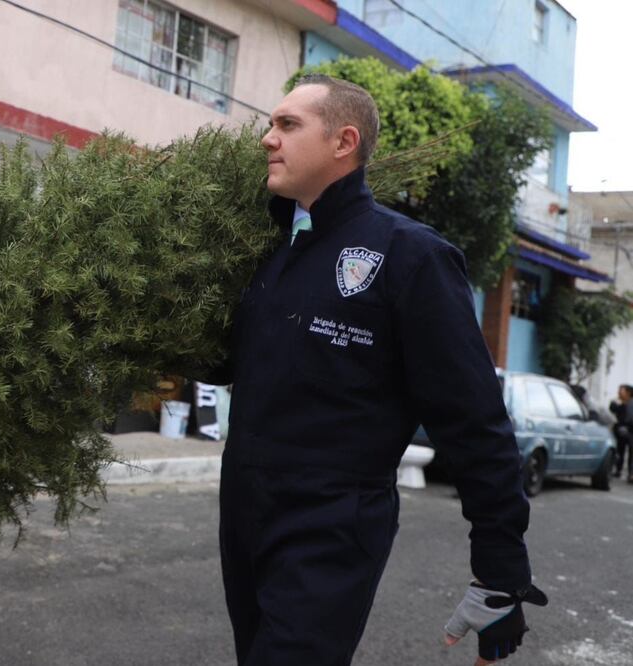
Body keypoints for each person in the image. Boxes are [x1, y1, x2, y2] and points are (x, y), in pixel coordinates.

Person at [213, 75, 546, 665]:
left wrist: (500, 573)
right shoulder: (271, 251)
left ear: (343, 142)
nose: (267, 139)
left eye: (287, 125)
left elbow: (473, 420)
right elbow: (241, 365)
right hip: (243, 515)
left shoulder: (412, 257)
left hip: (330, 530)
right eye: (271, 124)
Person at [608, 384, 633, 480]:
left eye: (621, 390)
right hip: (620, 432)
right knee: (620, 451)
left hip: (630, 432)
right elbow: (613, 410)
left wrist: (626, 427)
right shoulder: (620, 403)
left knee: (631, 453)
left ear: (628, 392)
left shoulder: (631, 404)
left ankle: (631, 473)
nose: (618, 392)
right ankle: (618, 470)